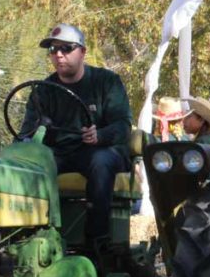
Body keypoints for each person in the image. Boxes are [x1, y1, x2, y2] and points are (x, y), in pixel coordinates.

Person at [20, 23, 131, 252]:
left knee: (100, 161)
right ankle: (29, 238)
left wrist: (100, 135)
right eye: (53, 50)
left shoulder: (107, 82)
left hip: (99, 151)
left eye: (66, 48)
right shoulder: (43, 90)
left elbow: (123, 125)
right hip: (59, 154)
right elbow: (27, 133)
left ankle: (97, 242)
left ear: (82, 52)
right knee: (27, 163)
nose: (58, 55)